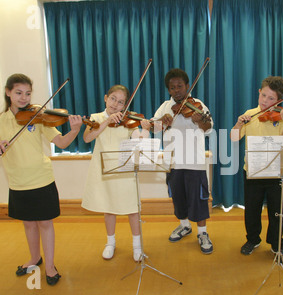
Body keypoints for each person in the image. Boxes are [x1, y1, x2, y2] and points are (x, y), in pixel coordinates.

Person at [0, 73, 83, 285]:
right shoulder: (0, 121)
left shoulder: (37, 116)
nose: (24, 98)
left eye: (28, 93)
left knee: (45, 223)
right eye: (18, 92)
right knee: (29, 224)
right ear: (8, 92)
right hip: (18, 182)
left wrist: (74, 130)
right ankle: (34, 258)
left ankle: (49, 265)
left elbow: (62, 142)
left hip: (42, 179)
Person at [81, 85, 151, 261]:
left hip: (124, 168)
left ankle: (137, 246)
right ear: (106, 98)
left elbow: (139, 140)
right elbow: (87, 138)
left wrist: (145, 130)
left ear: (125, 105)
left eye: (121, 102)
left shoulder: (127, 120)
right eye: (113, 99)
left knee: (132, 208)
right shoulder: (96, 117)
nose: (115, 104)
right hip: (104, 168)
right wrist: (106, 121)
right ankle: (110, 243)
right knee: (109, 207)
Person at [230, 76, 283, 260]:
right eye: (264, 95)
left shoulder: (282, 116)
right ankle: (252, 239)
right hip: (252, 170)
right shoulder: (250, 114)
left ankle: (276, 244)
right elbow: (234, 138)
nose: (265, 101)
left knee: (277, 211)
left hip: (276, 172)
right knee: (252, 209)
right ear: (259, 92)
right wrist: (238, 123)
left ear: (279, 101)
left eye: (271, 98)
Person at [151, 68, 214, 254]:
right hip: (173, 162)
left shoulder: (198, 105)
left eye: (180, 86)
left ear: (187, 86)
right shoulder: (165, 107)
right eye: (172, 87)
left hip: (194, 162)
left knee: (199, 199)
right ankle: (184, 226)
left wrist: (200, 121)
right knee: (178, 198)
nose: (176, 90)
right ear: (168, 90)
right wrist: (162, 122)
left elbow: (208, 127)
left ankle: (202, 233)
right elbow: (154, 128)